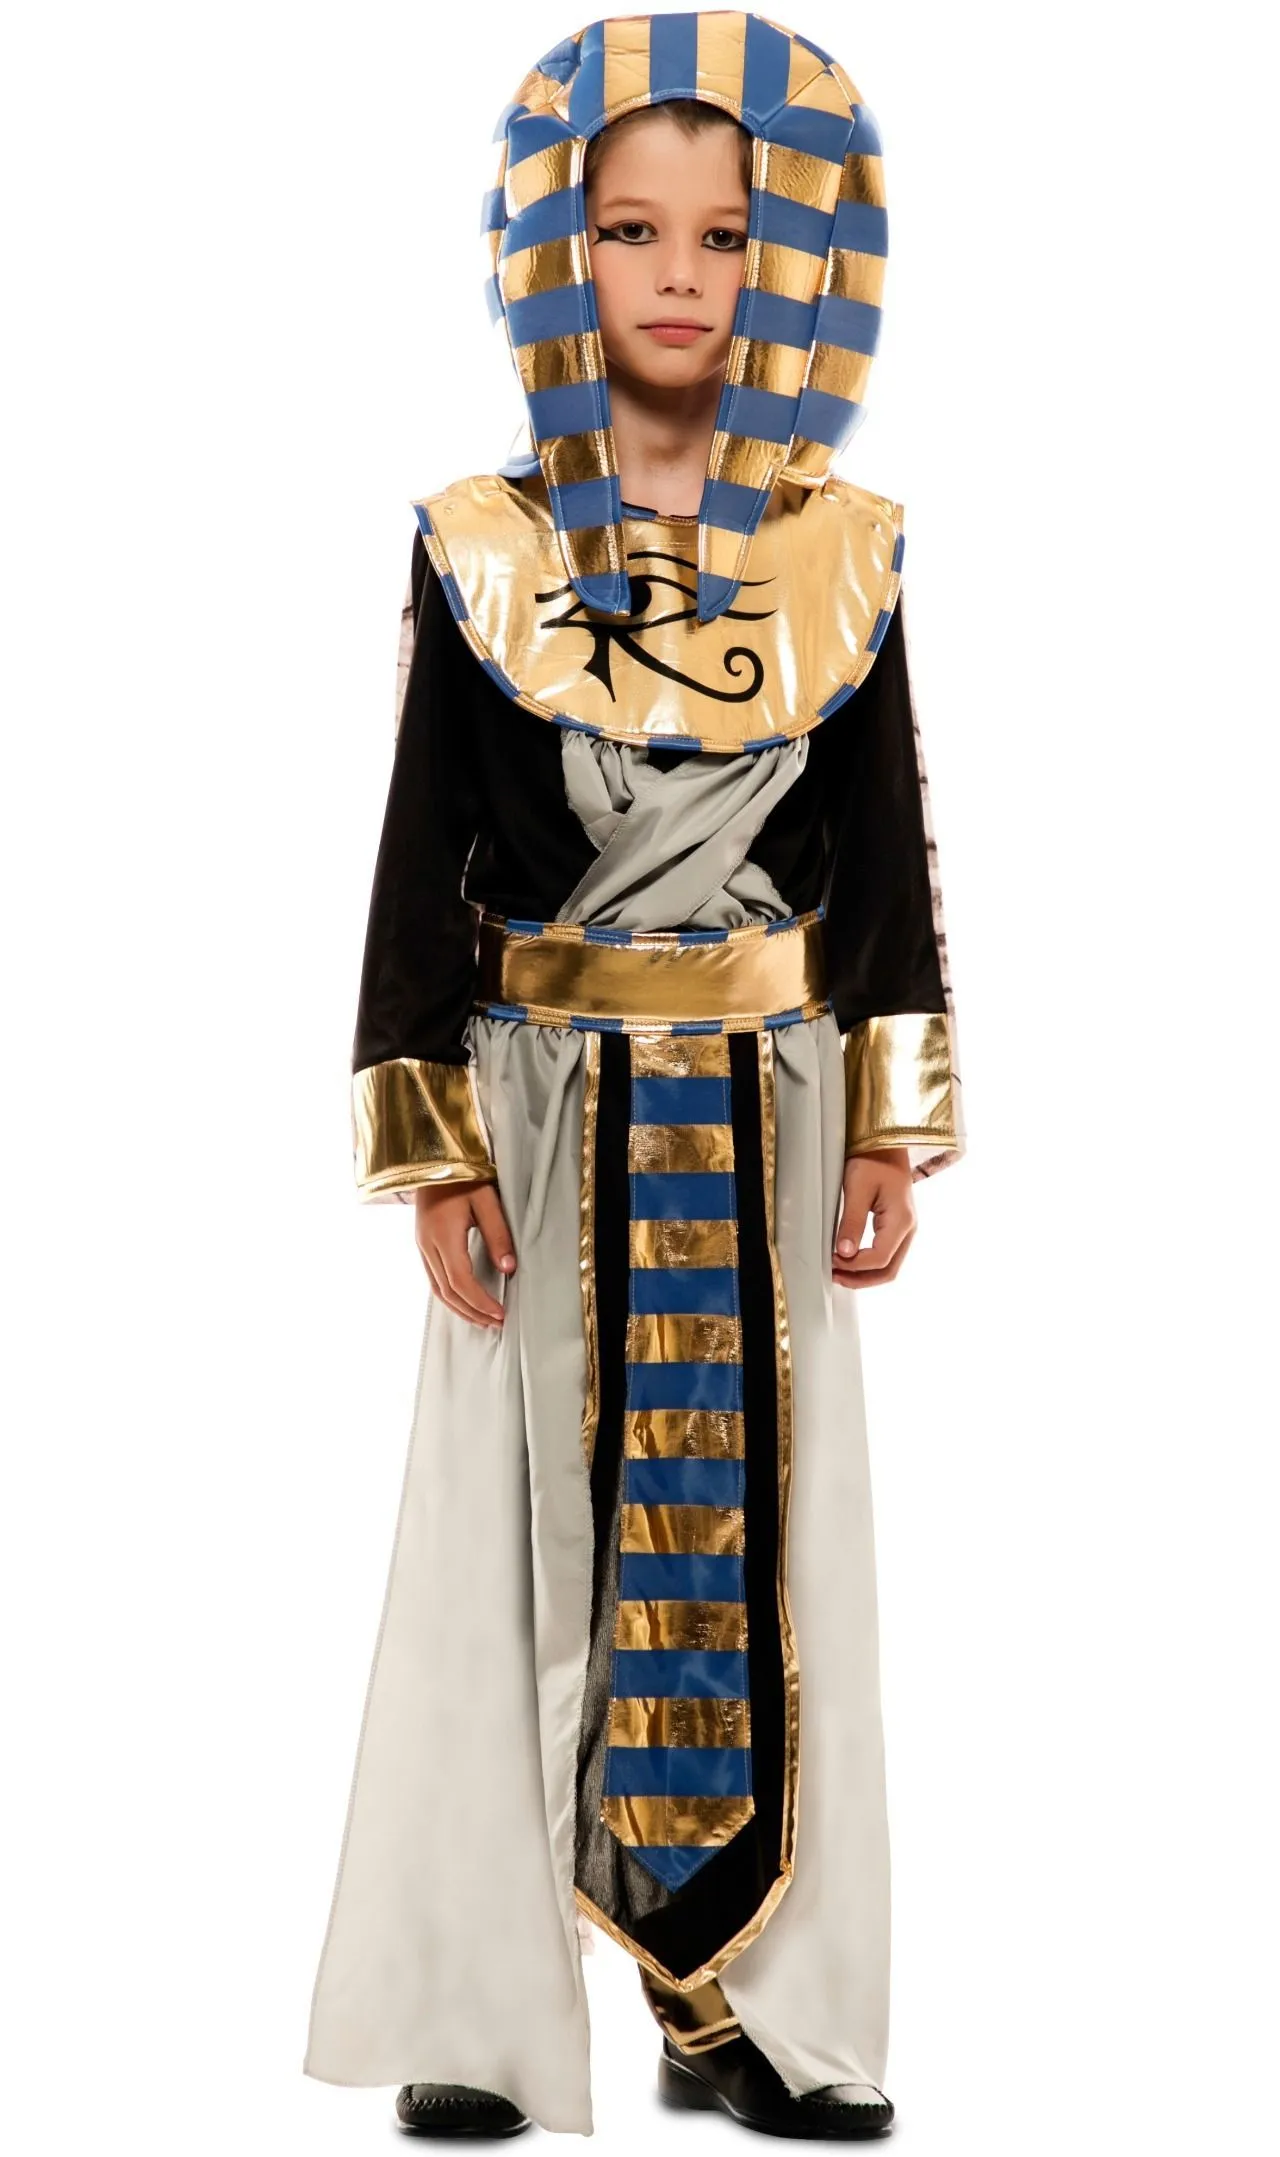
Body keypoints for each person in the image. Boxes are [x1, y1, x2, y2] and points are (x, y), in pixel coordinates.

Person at [303, 12, 964, 2141]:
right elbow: (422, 851)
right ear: (554, 254)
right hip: (543, 1104)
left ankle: (742, 2007)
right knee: (503, 1536)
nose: (679, 274)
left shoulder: (845, 552)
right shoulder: (483, 543)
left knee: (773, 1546)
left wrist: (889, 1120)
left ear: (796, 264)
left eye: (726, 234)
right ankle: (484, 2004)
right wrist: (430, 1143)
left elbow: (880, 853)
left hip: (762, 1109)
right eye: (629, 229)